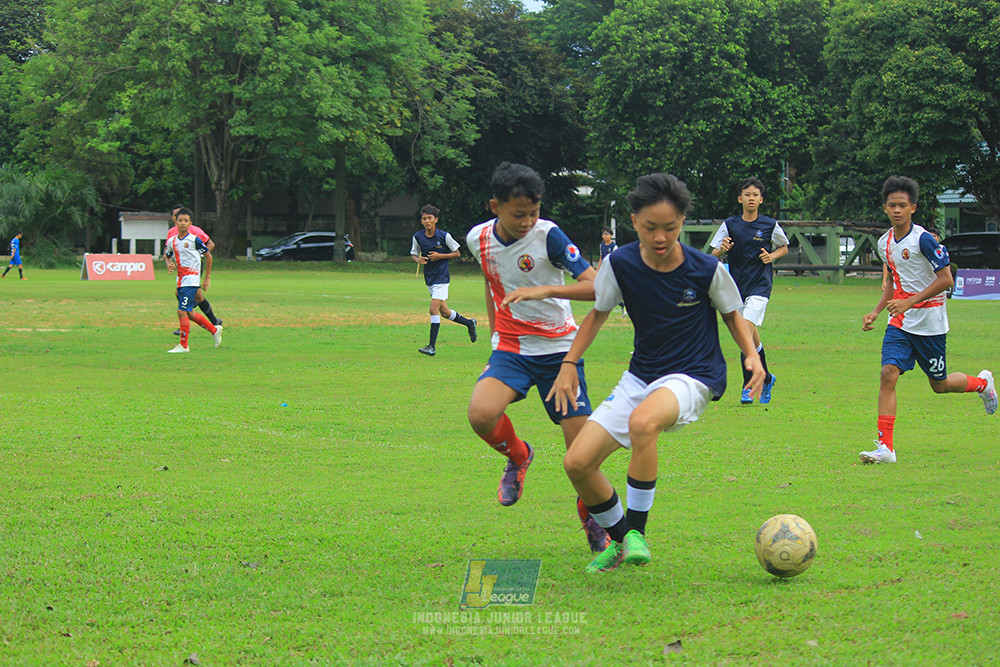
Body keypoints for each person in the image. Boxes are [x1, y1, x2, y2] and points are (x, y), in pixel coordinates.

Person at [548, 173, 765, 573]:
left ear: (682, 222)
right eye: (650, 228)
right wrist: (567, 365)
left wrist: (751, 355)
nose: (661, 237)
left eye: (670, 227)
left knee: (642, 422)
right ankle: (617, 540)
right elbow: (596, 315)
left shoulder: (705, 269)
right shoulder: (620, 263)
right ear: (634, 222)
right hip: (641, 375)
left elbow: (733, 316)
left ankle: (637, 532)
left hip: (695, 374)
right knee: (577, 463)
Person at [465, 162, 610, 554]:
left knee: (580, 458)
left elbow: (595, 286)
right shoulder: (476, 238)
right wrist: (494, 341)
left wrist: (545, 291)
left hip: (560, 352)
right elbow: (492, 283)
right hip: (511, 348)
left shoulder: (550, 237)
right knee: (480, 414)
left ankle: (592, 521)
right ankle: (519, 456)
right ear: (495, 206)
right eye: (518, 214)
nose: (528, 220)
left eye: (534, 212)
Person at [860, 176, 996, 463]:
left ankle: (982, 384)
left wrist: (909, 301)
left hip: (930, 322)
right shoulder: (885, 242)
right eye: (892, 205)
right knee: (888, 374)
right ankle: (886, 448)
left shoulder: (923, 239)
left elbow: (946, 279)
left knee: (940, 384)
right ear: (884, 208)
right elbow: (893, 283)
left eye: (902, 205)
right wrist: (877, 310)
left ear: (913, 208)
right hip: (900, 322)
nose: (897, 210)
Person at [710, 177, 788, 405]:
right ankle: (768, 377)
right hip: (736, 288)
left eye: (755, 195)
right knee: (751, 338)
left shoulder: (770, 225)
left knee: (743, 332)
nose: (751, 198)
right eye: (747, 195)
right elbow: (712, 255)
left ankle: (748, 387)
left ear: (761, 199)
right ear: (740, 199)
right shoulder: (730, 225)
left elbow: (784, 247)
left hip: (760, 287)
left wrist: (771, 256)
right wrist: (721, 250)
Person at [410, 204, 477, 356]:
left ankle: (431, 347)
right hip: (429, 278)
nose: (427, 221)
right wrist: (417, 260)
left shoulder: (444, 236)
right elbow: (414, 253)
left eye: (430, 218)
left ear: (436, 220)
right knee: (445, 312)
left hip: (442, 277)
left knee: (433, 310)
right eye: (424, 219)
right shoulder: (418, 237)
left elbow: (457, 253)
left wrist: (440, 256)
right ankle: (469, 323)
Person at [164, 208, 223, 353]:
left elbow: (209, 256)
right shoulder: (172, 241)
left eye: (186, 221)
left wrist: (206, 278)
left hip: (191, 279)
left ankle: (183, 346)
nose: (183, 223)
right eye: (180, 221)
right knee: (189, 313)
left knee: (181, 311)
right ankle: (214, 330)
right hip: (181, 280)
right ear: (175, 222)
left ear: (190, 223)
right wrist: (169, 264)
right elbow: (167, 255)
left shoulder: (194, 240)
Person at [598, 226, 626, 317]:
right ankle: (622, 305)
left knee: (611, 290)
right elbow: (601, 258)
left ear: (611, 236)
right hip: (605, 271)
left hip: (612, 271)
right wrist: (597, 270)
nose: (605, 236)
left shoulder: (614, 247)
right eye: (604, 234)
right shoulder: (601, 245)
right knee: (605, 290)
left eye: (607, 234)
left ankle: (623, 303)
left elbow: (617, 260)